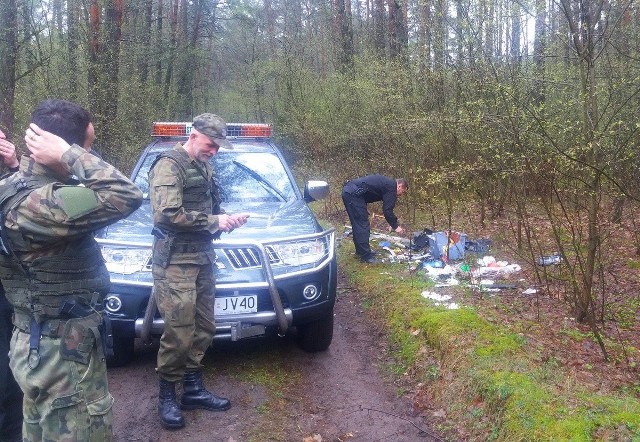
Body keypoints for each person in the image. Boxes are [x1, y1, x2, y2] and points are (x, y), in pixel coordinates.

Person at [0, 99, 143, 441]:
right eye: (88, 145)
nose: (88, 153)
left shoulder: (15, 186)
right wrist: (70, 154)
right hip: (61, 353)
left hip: (37, 342)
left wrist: (18, 163)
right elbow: (127, 194)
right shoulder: (46, 202)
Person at [148, 113, 248, 430]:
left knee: (204, 326)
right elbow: (166, 214)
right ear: (194, 134)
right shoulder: (169, 164)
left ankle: (192, 390)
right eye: (210, 144)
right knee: (178, 330)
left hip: (203, 257)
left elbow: (206, 211)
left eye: (218, 147)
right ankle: (167, 396)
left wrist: (225, 220)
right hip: (176, 261)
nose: (214, 151)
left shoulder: (203, 166)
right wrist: (213, 222)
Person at [0, 130, 22, 442]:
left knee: (8, 379)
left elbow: (29, 197)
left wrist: (16, 165)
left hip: (6, 295)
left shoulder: (8, 187)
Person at [342, 175, 408, 263]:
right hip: (353, 195)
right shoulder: (392, 188)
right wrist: (396, 227)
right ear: (399, 186)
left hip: (351, 192)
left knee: (358, 224)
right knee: (362, 224)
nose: (400, 194)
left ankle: (361, 252)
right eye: (402, 191)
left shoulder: (387, 183)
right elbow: (387, 211)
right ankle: (366, 257)